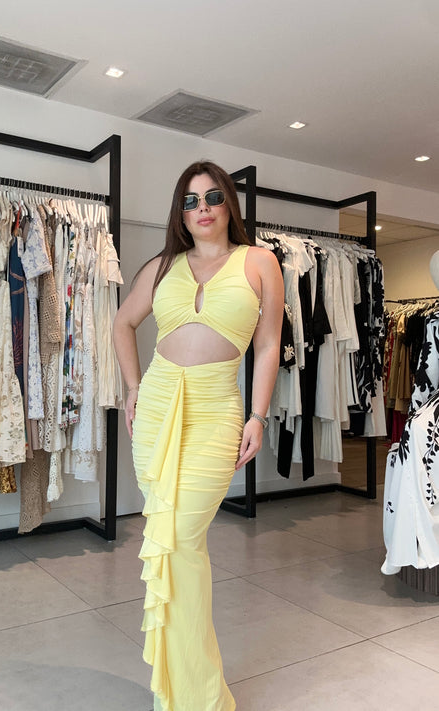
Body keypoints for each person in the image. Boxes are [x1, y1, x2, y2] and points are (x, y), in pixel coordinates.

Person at [113, 161, 284, 711]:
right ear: (180, 213)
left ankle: (198, 695)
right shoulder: (163, 266)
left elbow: (268, 345)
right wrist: (133, 387)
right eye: (190, 201)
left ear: (229, 203)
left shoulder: (260, 262)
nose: (202, 208)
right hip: (158, 408)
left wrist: (257, 416)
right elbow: (122, 323)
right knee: (173, 542)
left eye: (212, 197)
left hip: (215, 411)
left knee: (182, 538)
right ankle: (180, 691)